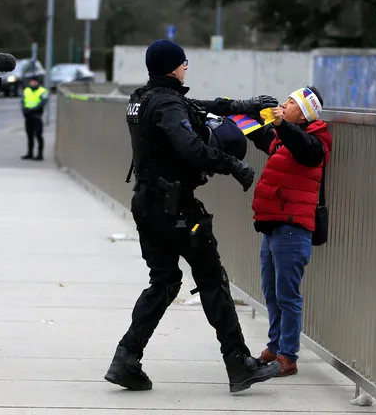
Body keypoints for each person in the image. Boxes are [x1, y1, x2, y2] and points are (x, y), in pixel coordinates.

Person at [104, 39, 282, 394]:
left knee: (165, 281)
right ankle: (238, 362)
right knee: (213, 281)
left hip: (147, 204)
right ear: (173, 66)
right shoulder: (168, 103)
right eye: (184, 63)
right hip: (177, 209)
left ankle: (126, 359)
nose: (187, 68)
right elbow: (190, 146)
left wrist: (239, 106)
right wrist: (233, 165)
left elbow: (196, 106)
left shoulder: (143, 98)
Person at [245, 86, 333, 376]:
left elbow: (304, 149)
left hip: (293, 227)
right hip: (272, 224)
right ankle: (275, 344)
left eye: (290, 103)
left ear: (305, 112)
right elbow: (261, 134)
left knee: (287, 295)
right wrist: (239, 113)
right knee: (271, 291)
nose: (283, 105)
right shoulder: (282, 139)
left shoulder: (317, 141)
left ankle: (288, 355)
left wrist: (281, 125)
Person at [21, 72, 49, 160]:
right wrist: (24, 109)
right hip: (28, 115)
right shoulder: (26, 90)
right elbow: (22, 101)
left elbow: (43, 102)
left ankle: (40, 154)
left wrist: (34, 108)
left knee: (38, 135)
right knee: (29, 135)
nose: (32, 83)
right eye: (31, 81)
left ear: (38, 82)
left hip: (37, 116)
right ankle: (30, 153)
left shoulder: (42, 91)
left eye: (34, 81)